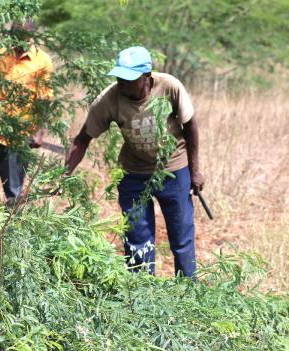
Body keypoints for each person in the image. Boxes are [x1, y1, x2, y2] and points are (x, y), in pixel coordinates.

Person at [65, 46, 204, 277]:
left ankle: (187, 290)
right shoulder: (109, 99)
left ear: (146, 77)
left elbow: (190, 125)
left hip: (173, 170)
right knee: (137, 239)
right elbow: (82, 139)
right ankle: (140, 294)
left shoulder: (169, 86)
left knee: (181, 236)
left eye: (130, 80)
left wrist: (195, 170)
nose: (123, 84)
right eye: (120, 78)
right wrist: (64, 175)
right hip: (134, 174)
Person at [0, 19, 53, 206]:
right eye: (15, 34)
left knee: (13, 195)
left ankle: (8, 231)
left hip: (19, 137)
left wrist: (39, 132)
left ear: (31, 35)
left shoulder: (42, 61)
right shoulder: (1, 55)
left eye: (23, 35)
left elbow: (44, 100)